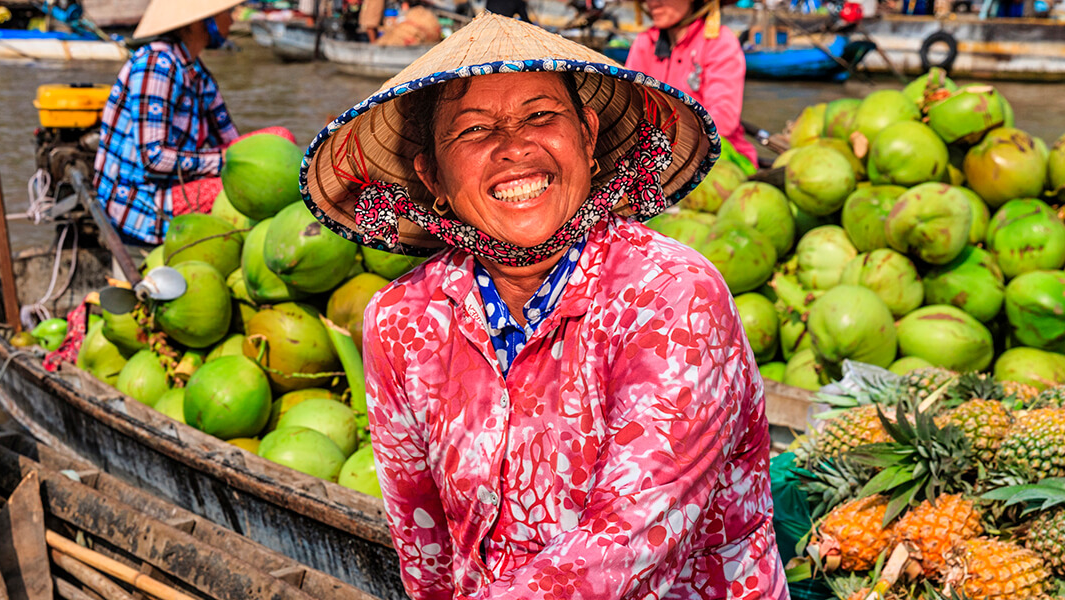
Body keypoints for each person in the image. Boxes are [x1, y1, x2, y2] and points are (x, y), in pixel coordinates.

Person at [299, 14, 785, 599]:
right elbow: (425, 548)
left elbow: (626, 543)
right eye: (475, 131)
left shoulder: (673, 296)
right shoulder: (402, 322)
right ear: (432, 175)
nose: (515, 148)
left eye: (540, 116)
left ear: (587, 134)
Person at [92, 0, 294, 245]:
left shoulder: (195, 70)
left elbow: (233, 142)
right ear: (201, 22)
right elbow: (153, 158)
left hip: (178, 182)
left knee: (280, 137)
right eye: (226, 13)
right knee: (243, 191)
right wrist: (225, 162)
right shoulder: (158, 65)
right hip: (142, 203)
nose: (232, 20)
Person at [625, 0, 757, 168]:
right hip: (652, 154)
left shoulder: (719, 42)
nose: (652, 3)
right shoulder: (644, 42)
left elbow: (723, 119)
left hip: (716, 158)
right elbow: (630, 102)